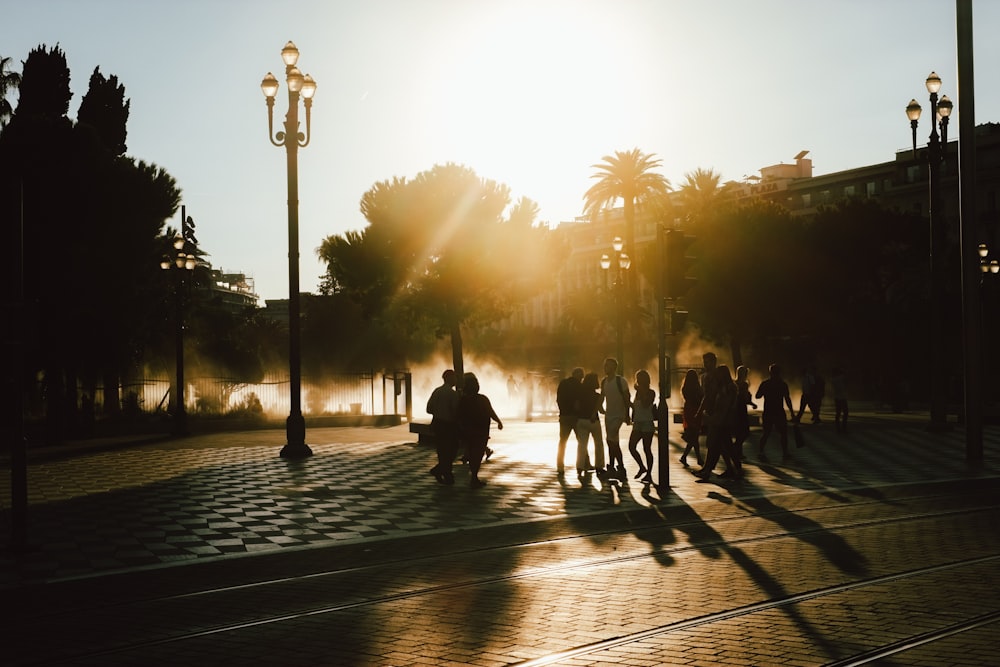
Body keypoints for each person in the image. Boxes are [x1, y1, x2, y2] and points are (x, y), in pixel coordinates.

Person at [456, 372, 503, 488]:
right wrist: (498, 421)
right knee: (477, 454)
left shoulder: (463, 400)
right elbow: (490, 412)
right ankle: (474, 477)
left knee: (472, 453)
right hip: (481, 432)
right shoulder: (482, 399)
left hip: (469, 431)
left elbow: (459, 416)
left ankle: (474, 477)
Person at [694, 365, 739, 481]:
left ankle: (708, 471)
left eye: (718, 374)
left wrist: (714, 419)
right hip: (721, 420)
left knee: (715, 446)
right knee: (723, 446)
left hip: (722, 421)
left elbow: (727, 406)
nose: (716, 376)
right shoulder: (723, 387)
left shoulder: (729, 388)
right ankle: (733, 468)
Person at [427, 369, 460, 485]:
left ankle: (444, 472)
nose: (456, 379)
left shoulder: (437, 391)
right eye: (454, 377)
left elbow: (429, 408)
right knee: (452, 450)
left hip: (437, 424)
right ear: (450, 378)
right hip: (449, 425)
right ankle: (442, 471)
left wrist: (438, 412)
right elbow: (456, 411)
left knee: (442, 450)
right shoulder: (452, 394)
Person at [600, 357, 632, 479]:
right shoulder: (604, 381)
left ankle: (616, 468)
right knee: (611, 442)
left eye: (607, 365)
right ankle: (616, 468)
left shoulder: (621, 381)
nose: (605, 367)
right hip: (609, 416)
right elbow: (602, 396)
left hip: (618, 415)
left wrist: (627, 415)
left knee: (611, 440)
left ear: (614, 367)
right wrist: (599, 408)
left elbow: (626, 398)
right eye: (605, 365)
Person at [756, 363, 795, 460]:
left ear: (770, 372)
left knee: (766, 433)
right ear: (779, 373)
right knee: (783, 433)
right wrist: (792, 412)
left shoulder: (765, 384)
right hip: (779, 411)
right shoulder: (783, 384)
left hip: (768, 411)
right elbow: (787, 399)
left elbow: (758, 396)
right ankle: (785, 453)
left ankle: (761, 451)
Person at [627, 369, 656, 483]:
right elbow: (636, 407)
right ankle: (642, 467)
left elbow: (645, 404)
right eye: (637, 378)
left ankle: (649, 473)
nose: (637, 381)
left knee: (646, 449)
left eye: (639, 379)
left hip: (647, 423)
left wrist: (642, 391)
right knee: (631, 446)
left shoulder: (651, 392)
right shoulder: (637, 393)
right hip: (638, 423)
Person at [574, 372, 605, 478]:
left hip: (581, 420)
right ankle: (599, 466)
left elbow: (576, 407)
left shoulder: (579, 394)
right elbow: (601, 410)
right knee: (598, 443)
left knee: (582, 445)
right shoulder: (597, 396)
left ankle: (580, 466)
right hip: (593, 421)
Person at [555, 367, 584, 474]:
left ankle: (560, 465)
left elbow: (558, 398)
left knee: (562, 441)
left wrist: (562, 410)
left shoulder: (563, 383)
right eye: (581, 376)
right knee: (581, 441)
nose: (582, 378)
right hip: (576, 417)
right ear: (579, 376)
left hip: (564, 416)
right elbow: (581, 401)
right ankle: (584, 463)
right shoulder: (580, 386)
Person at [680, 369, 704, 467]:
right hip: (695, 411)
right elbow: (700, 398)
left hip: (688, 410)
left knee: (693, 436)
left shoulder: (685, 388)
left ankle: (685, 457)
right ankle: (698, 458)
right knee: (695, 435)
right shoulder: (697, 388)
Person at [733, 365, 758, 462]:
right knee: (744, 432)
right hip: (740, 410)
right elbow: (744, 398)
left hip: (737, 409)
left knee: (740, 432)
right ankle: (736, 449)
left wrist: (752, 403)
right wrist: (751, 403)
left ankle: (739, 452)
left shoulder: (736, 383)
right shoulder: (743, 384)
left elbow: (743, 398)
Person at [831, 366, 849, 433]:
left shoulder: (833, 379)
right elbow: (846, 376)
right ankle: (843, 428)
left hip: (837, 398)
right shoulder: (840, 378)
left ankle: (838, 428)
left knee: (838, 413)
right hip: (842, 398)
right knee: (845, 413)